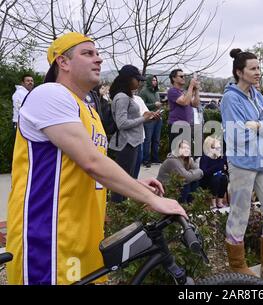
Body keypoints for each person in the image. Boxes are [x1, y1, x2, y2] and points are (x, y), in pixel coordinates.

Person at [6, 32, 186, 285]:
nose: (99, 59)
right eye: (88, 53)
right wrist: (150, 199)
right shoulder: (49, 95)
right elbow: (92, 162)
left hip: (87, 238)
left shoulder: (87, 108)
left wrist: (135, 184)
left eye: (98, 53)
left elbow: (90, 166)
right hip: (50, 240)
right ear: (63, 62)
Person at [221, 48, 263, 279]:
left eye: (259, 68)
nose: (258, 72)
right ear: (240, 72)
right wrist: (262, 128)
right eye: (253, 68)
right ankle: (237, 265)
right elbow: (237, 135)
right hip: (242, 163)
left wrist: (257, 126)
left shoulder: (258, 96)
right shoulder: (230, 98)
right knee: (240, 213)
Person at [109, 64, 160, 203]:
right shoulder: (122, 97)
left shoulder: (126, 96)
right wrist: (143, 118)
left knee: (130, 181)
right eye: (137, 79)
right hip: (127, 144)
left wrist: (148, 118)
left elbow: (132, 121)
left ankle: (123, 209)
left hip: (133, 142)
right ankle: (118, 211)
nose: (140, 82)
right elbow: (122, 123)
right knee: (123, 183)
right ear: (128, 79)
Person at [157, 140, 203, 204]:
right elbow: (186, 177)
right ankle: (183, 205)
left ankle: (190, 204)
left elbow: (199, 171)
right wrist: (193, 173)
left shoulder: (188, 159)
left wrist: (191, 173)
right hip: (166, 189)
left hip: (176, 186)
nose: (186, 150)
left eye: (188, 148)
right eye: (183, 148)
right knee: (185, 184)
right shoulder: (172, 160)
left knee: (195, 181)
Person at [167, 69, 200, 149]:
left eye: (184, 76)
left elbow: (195, 104)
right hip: (176, 126)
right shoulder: (172, 91)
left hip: (186, 126)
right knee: (176, 153)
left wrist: (197, 90)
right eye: (181, 76)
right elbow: (185, 102)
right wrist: (191, 86)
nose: (183, 78)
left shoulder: (182, 92)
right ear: (174, 78)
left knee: (185, 154)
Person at [139, 74, 163, 167]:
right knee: (147, 140)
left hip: (158, 117)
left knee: (156, 140)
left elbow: (157, 104)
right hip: (149, 119)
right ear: (149, 81)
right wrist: (154, 105)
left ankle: (155, 158)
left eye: (155, 80)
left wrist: (159, 106)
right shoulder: (143, 92)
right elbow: (142, 105)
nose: (155, 81)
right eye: (153, 80)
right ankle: (146, 160)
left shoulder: (156, 92)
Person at [199, 136, 228, 209]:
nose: (219, 149)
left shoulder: (221, 157)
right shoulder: (205, 158)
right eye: (217, 148)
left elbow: (226, 168)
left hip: (219, 179)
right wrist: (219, 167)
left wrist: (221, 164)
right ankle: (213, 202)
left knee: (224, 178)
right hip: (207, 180)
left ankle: (219, 201)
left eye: (219, 147)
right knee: (216, 178)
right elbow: (204, 172)